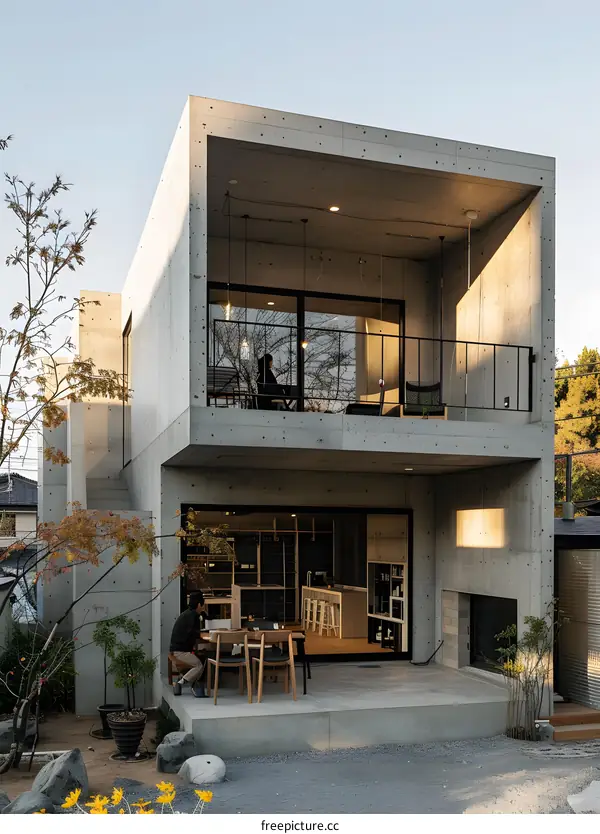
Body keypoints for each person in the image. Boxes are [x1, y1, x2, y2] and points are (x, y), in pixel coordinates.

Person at [170, 591, 207, 697]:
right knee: (199, 666)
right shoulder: (193, 616)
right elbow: (194, 633)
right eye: (202, 605)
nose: (202, 608)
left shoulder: (186, 614)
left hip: (176, 650)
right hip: (180, 652)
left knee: (201, 659)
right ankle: (181, 682)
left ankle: (188, 684)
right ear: (199, 604)